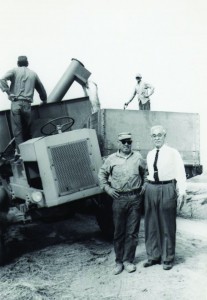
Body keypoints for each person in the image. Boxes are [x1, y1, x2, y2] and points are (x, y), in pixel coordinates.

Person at [98, 132, 146, 275]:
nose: (126, 144)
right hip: (119, 199)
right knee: (119, 232)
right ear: (119, 143)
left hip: (135, 199)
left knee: (132, 233)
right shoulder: (111, 159)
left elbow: (146, 173)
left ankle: (128, 261)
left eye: (129, 142)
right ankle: (119, 262)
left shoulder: (138, 157)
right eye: (124, 142)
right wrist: (108, 189)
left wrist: (144, 186)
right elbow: (102, 175)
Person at [143, 125, 186, 270]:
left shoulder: (173, 153)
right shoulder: (149, 154)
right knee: (151, 224)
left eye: (159, 135)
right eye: (154, 135)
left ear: (164, 136)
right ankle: (153, 256)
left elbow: (181, 172)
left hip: (167, 187)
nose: (157, 137)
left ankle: (167, 258)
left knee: (167, 224)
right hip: (151, 188)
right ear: (151, 137)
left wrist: (182, 191)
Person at [0, 56, 47, 157]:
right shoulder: (33, 74)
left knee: (18, 130)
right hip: (27, 104)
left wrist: (8, 93)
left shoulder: (14, 71)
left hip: (16, 103)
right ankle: (31, 153)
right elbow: (40, 88)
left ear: (18, 63)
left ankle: (21, 154)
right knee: (28, 129)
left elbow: (2, 79)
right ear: (27, 63)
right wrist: (44, 99)